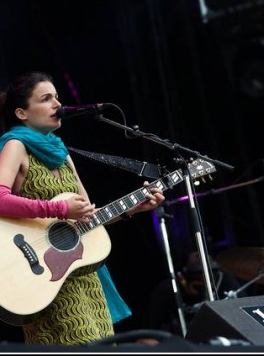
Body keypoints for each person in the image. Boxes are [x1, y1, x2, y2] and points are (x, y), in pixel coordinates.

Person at [0, 71, 165, 345]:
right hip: (44, 279)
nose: (57, 104)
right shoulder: (15, 146)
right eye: (46, 99)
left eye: (57, 97)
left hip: (82, 276)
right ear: (22, 113)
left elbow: (87, 218)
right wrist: (59, 210)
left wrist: (132, 208)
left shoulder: (62, 154)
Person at [142, 251, 242, 336]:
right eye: (197, 274)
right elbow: (151, 328)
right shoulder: (168, 288)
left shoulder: (225, 281)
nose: (199, 256)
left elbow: (242, 317)